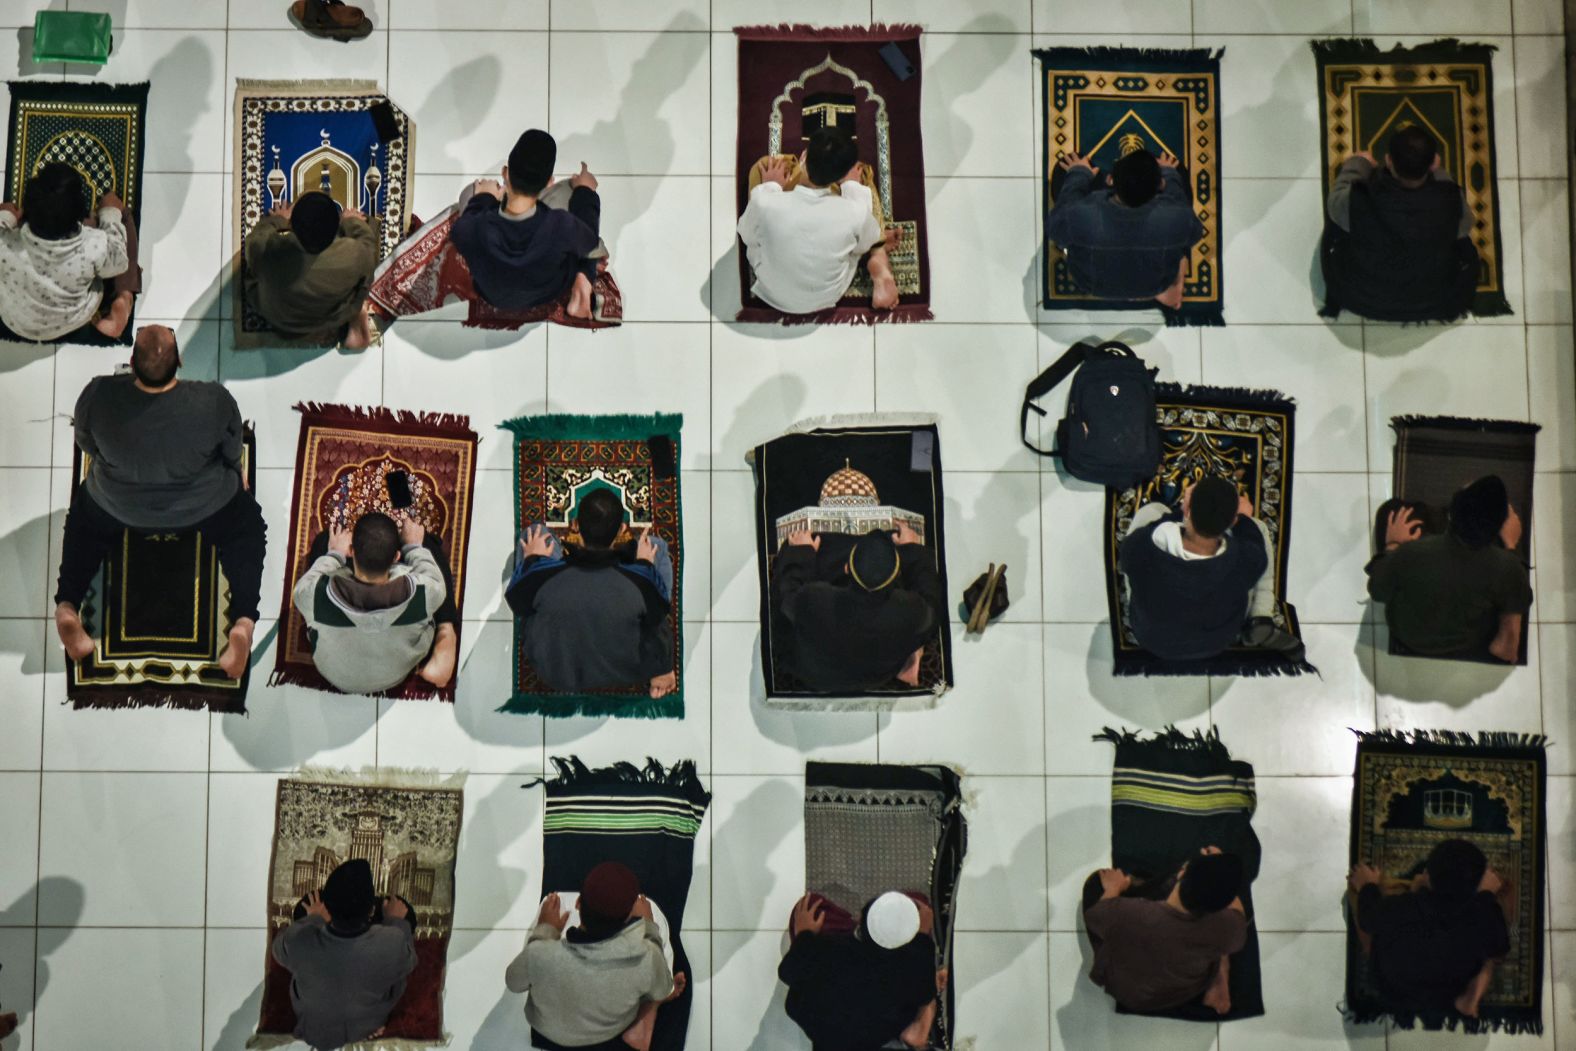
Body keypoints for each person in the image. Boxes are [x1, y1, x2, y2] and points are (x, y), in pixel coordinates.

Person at [54, 325, 266, 678]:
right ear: (179, 361)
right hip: (204, 504)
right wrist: (236, 472)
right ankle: (242, 624)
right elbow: (231, 450)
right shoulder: (213, 400)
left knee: (83, 527)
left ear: (132, 364)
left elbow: (87, 443)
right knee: (247, 530)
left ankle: (67, 606)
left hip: (117, 503)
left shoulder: (98, 394)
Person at [504, 488, 676, 699]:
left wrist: (533, 561)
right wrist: (645, 565)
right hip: (625, 671)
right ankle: (659, 674)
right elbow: (658, 619)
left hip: (556, 672)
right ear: (622, 530)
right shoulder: (641, 581)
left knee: (534, 532)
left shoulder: (542, 576)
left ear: (575, 525)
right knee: (657, 546)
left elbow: (518, 603)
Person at [1118, 476, 1303, 663]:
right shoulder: (1244, 559)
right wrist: (1244, 519)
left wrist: (1178, 513)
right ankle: (1260, 616)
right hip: (1218, 639)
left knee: (1151, 511)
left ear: (1188, 508)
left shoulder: (1142, 548)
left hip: (1153, 638)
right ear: (1232, 521)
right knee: (1260, 529)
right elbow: (1253, 543)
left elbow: (1125, 559)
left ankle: (1260, 619)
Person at [504, 861, 684, 1051]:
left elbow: (513, 983)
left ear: (578, 903)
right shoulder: (646, 958)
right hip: (611, 1029)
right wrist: (648, 926)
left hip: (548, 1030)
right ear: (630, 917)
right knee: (659, 982)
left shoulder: (540, 954)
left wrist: (546, 930)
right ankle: (645, 1019)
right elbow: (663, 989)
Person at [1367, 475, 1531, 662]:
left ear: (1451, 513)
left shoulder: (1411, 553)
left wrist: (1394, 545)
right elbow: (1520, 593)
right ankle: (1507, 636)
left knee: (1392, 511)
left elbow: (1377, 590)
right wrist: (1511, 545)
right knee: (1510, 585)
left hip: (1409, 634)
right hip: (1467, 639)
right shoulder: (1507, 567)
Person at [1322, 125, 1479, 321]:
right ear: (1434, 162)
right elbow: (1465, 226)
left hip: (1361, 296)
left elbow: (1334, 206)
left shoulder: (1360, 199)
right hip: (1431, 300)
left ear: (1388, 160)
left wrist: (1358, 163)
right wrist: (1441, 175)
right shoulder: (1449, 200)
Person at [291, 510, 459, 692]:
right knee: (428, 545)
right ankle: (446, 631)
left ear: (351, 551)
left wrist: (335, 554)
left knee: (324, 541)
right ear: (396, 557)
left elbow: (302, 588)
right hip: (396, 673)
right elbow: (437, 584)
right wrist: (414, 547)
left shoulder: (314, 595)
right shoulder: (422, 592)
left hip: (335, 674)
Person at [737, 128, 898, 314]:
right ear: (840, 177)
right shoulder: (855, 211)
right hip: (827, 295)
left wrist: (770, 187)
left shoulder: (764, 202)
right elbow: (862, 246)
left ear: (804, 156)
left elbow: (746, 235)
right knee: (863, 180)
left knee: (765, 166)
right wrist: (852, 185)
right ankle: (879, 258)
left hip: (772, 290)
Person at [450, 129, 607, 319]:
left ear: (505, 173)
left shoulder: (477, 227)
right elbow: (590, 241)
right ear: (549, 182)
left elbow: (459, 232)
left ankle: (581, 286)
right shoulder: (560, 225)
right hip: (549, 291)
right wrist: (586, 190)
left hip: (494, 296)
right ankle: (582, 283)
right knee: (579, 208)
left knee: (470, 191)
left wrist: (484, 197)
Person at [1348, 839, 1511, 1020]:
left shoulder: (1401, 906)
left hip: (1392, 989)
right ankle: (1469, 1001)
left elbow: (1368, 918)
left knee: (1360, 899)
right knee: (1488, 958)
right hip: (1451, 991)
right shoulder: (1479, 917)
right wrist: (1487, 895)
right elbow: (1499, 949)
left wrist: (1367, 885)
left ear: (1428, 875)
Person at [772, 524, 943, 691]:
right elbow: (932, 602)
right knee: (920, 629)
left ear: (846, 568)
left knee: (790, 556)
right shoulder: (910, 610)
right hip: (877, 675)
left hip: (816, 675)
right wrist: (912, 549)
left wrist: (801, 552)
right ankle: (909, 664)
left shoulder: (816, 599)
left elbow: (787, 598)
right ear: (896, 578)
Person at [271, 858, 418, 1051]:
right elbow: (409, 962)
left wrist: (313, 919)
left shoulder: (299, 940)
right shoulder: (392, 942)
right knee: (396, 971)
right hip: (369, 1023)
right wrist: (395, 921)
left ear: (328, 910)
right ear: (372, 910)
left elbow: (278, 951)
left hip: (313, 1028)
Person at [1082, 848, 1248, 1015]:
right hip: (1182, 992)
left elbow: (1094, 917)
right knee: (1219, 942)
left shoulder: (1131, 913)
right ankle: (1220, 974)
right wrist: (1218, 876)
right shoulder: (1229, 927)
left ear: (1182, 873)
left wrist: (1114, 887)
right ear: (1222, 906)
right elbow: (1237, 910)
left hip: (1128, 992)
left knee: (1096, 882)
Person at [779, 891, 944, 1051]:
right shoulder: (909, 968)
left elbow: (788, 972)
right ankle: (914, 1029)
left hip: (825, 1028)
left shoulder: (827, 948)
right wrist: (922, 937)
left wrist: (805, 935)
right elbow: (925, 992)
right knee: (916, 904)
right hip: (871, 1034)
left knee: (813, 906)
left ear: (860, 919)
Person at [1046, 147, 1203, 309]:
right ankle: (1165, 292)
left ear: (1110, 180)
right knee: (1179, 175)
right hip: (1155, 284)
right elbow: (1194, 235)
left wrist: (1079, 173)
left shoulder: (1083, 213)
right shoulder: (1174, 216)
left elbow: (1055, 231)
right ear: (1161, 184)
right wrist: (1171, 175)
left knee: (1068, 168)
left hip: (1093, 284)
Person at [0, 161, 138, 341]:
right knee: (124, 219)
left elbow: (7, 215)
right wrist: (110, 212)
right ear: (81, 212)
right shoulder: (93, 245)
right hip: (73, 318)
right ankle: (123, 296)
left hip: (16, 321)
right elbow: (119, 263)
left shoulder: (4, 243)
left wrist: (6, 215)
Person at [244, 190, 377, 347]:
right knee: (363, 278)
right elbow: (368, 242)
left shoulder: (269, 249)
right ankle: (352, 321)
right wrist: (352, 221)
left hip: (278, 317)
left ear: (291, 225)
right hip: (331, 319)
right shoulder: (355, 254)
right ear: (337, 226)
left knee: (253, 273)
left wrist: (277, 219)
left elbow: (254, 241)